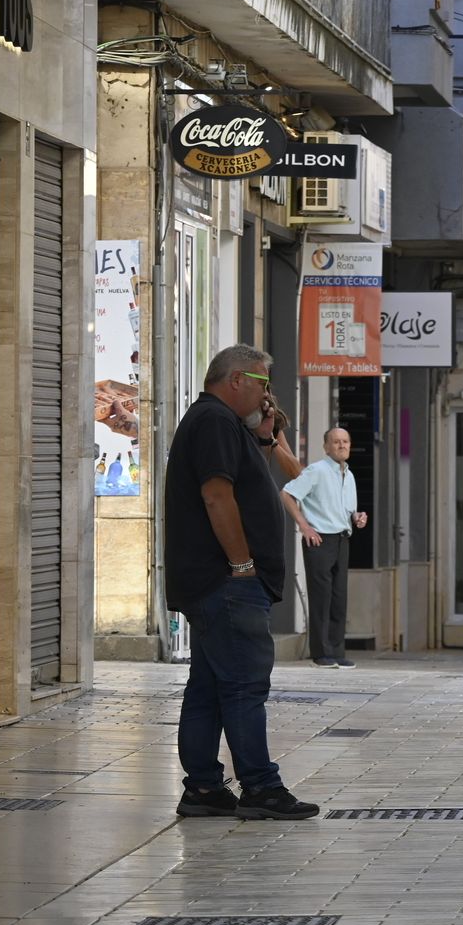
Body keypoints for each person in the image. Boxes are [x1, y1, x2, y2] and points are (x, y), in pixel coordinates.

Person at [164, 344, 318, 821]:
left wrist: (267, 439)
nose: (267, 394)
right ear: (237, 380)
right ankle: (260, 788)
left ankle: (205, 790)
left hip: (215, 581)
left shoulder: (222, 424)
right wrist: (242, 564)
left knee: (209, 687)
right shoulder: (213, 421)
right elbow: (216, 496)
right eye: (263, 384)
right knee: (245, 687)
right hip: (226, 582)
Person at [280, 427, 369, 669]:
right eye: (336, 442)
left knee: (339, 597)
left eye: (345, 441)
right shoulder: (317, 471)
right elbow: (287, 494)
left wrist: (358, 517)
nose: (341, 445)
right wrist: (304, 526)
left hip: (342, 538)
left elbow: (348, 511)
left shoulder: (348, 475)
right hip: (319, 539)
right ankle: (321, 654)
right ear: (326, 446)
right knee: (322, 597)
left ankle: (337, 651)